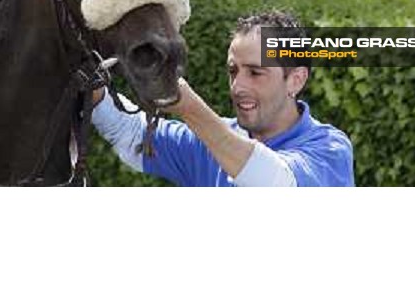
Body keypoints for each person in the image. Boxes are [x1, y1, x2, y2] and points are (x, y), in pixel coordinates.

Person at [91, 10, 355, 187]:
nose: (238, 86)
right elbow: (132, 134)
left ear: (296, 80)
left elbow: (276, 183)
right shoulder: (213, 140)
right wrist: (91, 86)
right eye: (233, 71)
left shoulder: (329, 150)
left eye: (255, 72)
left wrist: (189, 107)